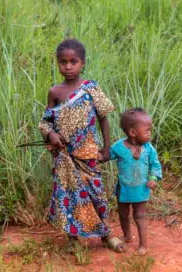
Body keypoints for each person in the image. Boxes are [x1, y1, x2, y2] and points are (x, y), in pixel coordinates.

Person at [38, 39, 125, 252]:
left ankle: (106, 234)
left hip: (87, 153)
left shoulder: (90, 88)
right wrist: (51, 135)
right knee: (68, 196)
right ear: (57, 63)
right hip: (64, 155)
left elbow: (103, 118)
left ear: (83, 63)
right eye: (63, 62)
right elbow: (45, 121)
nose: (68, 67)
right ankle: (73, 238)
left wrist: (106, 147)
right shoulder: (55, 92)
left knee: (96, 193)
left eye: (73, 61)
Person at [105, 108, 162, 256]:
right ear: (133, 133)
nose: (150, 133)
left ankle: (143, 244)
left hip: (141, 189)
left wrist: (153, 178)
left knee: (140, 215)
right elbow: (106, 155)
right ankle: (127, 235)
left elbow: (155, 165)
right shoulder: (119, 147)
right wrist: (97, 155)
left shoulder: (149, 149)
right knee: (123, 214)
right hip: (123, 189)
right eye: (147, 130)